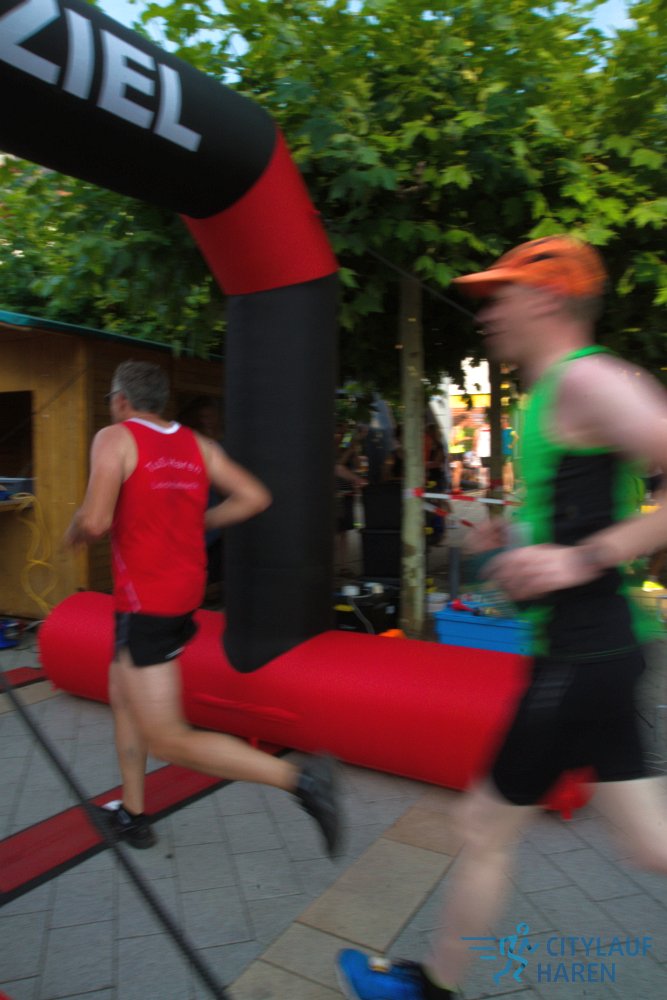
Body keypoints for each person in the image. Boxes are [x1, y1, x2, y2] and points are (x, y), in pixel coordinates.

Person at [336, 235, 667, 999]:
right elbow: (574, 508)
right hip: (593, 653)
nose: (486, 313)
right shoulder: (547, 396)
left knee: (483, 827)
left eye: (500, 296)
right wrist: (510, 535)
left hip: (578, 656)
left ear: (547, 300)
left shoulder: (587, 380)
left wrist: (580, 559)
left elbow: (612, 522)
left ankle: (429, 989)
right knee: (649, 845)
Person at [65, 361, 341, 855]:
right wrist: (202, 520)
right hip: (179, 596)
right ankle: (133, 813)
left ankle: (301, 780)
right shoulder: (199, 445)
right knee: (123, 695)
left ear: (122, 401)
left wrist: (74, 529)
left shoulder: (115, 438)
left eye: (111, 399)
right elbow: (255, 497)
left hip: (146, 604)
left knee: (168, 739)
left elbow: (97, 521)